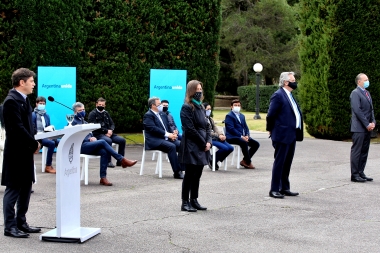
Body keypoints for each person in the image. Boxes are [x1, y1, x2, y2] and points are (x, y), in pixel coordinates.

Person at [2, 68, 41, 238]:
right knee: (14, 188)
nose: (33, 84)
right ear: (22, 82)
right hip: (16, 153)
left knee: (26, 187)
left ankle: (21, 222)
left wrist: (33, 142)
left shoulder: (23, 100)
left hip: (25, 152)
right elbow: (17, 128)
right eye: (31, 81)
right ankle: (10, 226)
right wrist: (33, 143)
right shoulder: (11, 101)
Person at [72, 102, 137, 186]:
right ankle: (121, 159)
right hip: (81, 146)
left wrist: (93, 137)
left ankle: (103, 178)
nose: (83, 111)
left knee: (104, 151)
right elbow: (75, 136)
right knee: (103, 142)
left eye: (83, 109)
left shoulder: (84, 121)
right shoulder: (73, 122)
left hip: (89, 144)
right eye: (80, 110)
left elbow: (90, 133)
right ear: (75, 112)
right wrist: (88, 139)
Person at [266, 71, 303, 199]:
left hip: (291, 134)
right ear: (286, 82)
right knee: (280, 162)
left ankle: (285, 187)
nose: (295, 82)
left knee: (287, 162)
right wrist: (270, 129)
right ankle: (274, 189)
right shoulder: (278, 95)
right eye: (293, 80)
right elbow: (271, 115)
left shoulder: (289, 95)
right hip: (282, 134)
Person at [178, 80, 212, 212]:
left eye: (200, 89)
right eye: (197, 89)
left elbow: (208, 126)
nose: (199, 91)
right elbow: (190, 129)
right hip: (192, 145)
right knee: (190, 174)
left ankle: (194, 200)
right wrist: (203, 143)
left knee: (198, 174)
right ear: (191, 91)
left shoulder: (202, 107)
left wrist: (209, 141)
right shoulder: (187, 107)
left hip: (203, 144)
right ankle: (185, 202)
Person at [143, 97, 184, 179]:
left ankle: (183, 169)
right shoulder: (148, 116)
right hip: (155, 140)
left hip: (166, 139)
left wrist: (173, 134)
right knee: (171, 147)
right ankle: (177, 172)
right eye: (159, 104)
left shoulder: (163, 114)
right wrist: (168, 135)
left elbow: (168, 127)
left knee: (181, 145)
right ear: (153, 105)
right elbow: (153, 129)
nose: (161, 106)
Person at [350, 73, 375, 182]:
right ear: (359, 81)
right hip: (359, 128)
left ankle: (361, 172)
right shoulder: (355, 93)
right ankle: (355, 175)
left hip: (367, 127)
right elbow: (357, 111)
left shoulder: (367, 93)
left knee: (364, 151)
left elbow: (371, 109)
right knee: (357, 151)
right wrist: (366, 124)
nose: (367, 81)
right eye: (365, 80)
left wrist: (373, 122)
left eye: (367, 79)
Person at [88, 97, 126, 168]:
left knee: (122, 140)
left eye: (102, 105)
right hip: (98, 134)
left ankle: (120, 161)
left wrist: (111, 130)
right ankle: (108, 161)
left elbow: (112, 124)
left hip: (109, 133)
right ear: (96, 104)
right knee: (108, 140)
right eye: (99, 104)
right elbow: (94, 127)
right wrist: (106, 131)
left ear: (105, 105)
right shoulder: (92, 114)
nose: (101, 106)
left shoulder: (106, 113)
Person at [225, 99, 260, 169]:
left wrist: (247, 135)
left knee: (256, 144)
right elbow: (231, 129)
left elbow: (246, 127)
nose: (237, 107)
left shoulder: (242, 116)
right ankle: (248, 162)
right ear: (231, 107)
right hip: (232, 137)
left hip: (243, 137)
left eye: (238, 105)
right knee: (244, 142)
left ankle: (245, 160)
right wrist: (241, 136)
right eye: (235, 105)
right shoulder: (229, 116)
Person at [203, 102, 234, 170]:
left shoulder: (210, 119)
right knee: (225, 148)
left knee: (231, 148)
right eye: (208, 109)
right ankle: (212, 160)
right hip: (209, 139)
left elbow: (215, 127)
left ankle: (213, 159)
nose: (209, 111)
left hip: (216, 138)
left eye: (210, 109)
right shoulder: (201, 119)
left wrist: (221, 134)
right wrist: (218, 136)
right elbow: (206, 132)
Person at [32, 96, 59, 174]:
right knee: (51, 143)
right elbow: (32, 128)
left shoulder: (47, 115)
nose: (42, 105)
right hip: (38, 136)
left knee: (60, 142)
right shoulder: (33, 115)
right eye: (40, 103)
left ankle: (63, 164)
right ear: (36, 104)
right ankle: (48, 166)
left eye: (43, 103)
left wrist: (51, 129)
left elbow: (48, 126)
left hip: (47, 135)